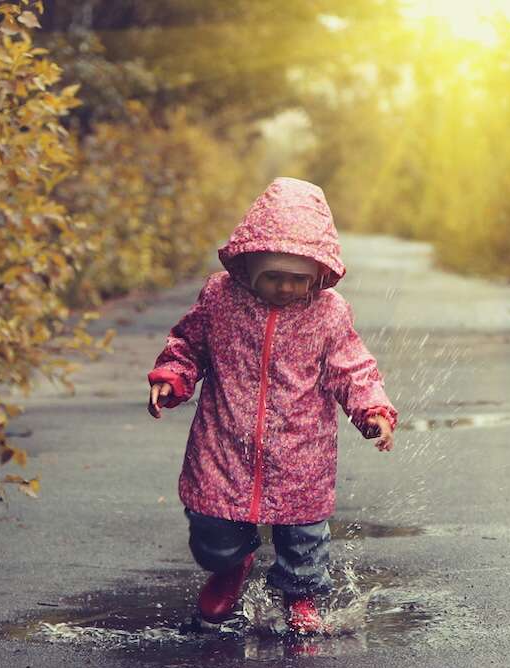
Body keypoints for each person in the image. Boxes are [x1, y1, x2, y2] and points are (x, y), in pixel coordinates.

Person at [147, 177, 397, 635]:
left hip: (300, 448)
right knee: (212, 531)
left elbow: (352, 368)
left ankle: (300, 597)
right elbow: (188, 345)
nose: (286, 288)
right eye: (274, 277)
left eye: (298, 279)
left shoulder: (329, 313)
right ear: (250, 268)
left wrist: (371, 410)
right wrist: (173, 377)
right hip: (224, 442)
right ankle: (230, 567)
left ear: (319, 275)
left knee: (303, 535)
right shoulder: (220, 299)